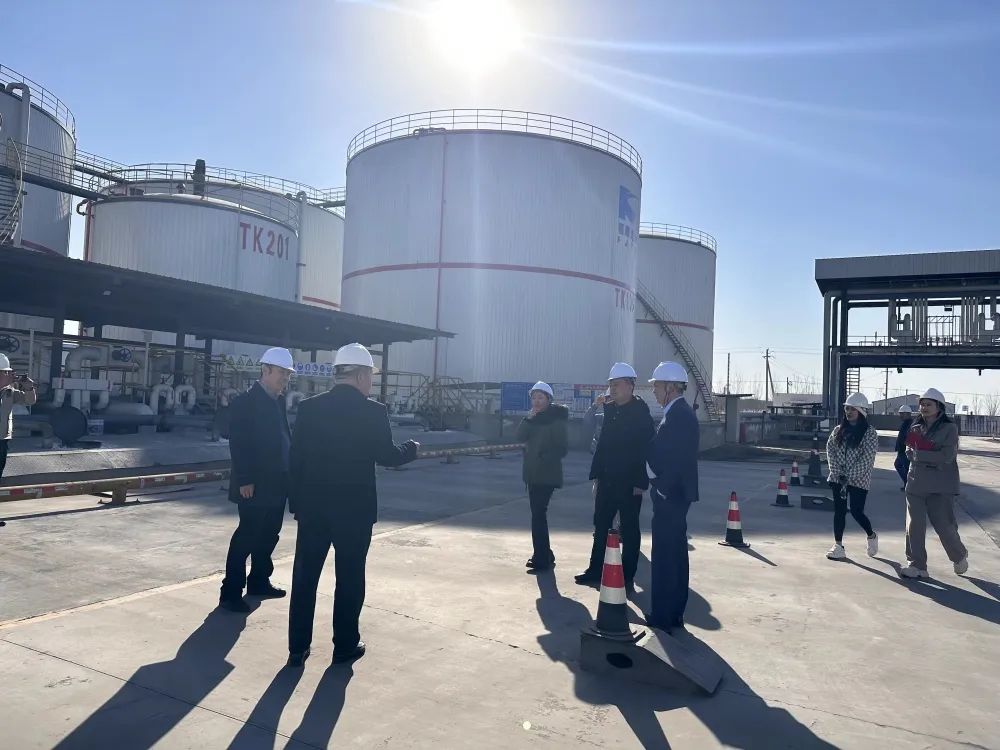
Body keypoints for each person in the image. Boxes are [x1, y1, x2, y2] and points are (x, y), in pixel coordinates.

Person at [287, 343, 419, 667]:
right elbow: (387, 456)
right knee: (349, 578)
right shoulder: (373, 411)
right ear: (360, 375)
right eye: (370, 375)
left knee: (305, 578)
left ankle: (298, 648)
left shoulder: (309, 408)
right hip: (355, 512)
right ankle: (345, 645)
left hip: (313, 510)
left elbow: (296, 459)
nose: (371, 382)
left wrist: (297, 504)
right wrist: (411, 448)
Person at [219, 347, 296, 613]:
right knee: (247, 535)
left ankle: (259, 581)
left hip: (278, 480)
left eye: (288, 374)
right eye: (281, 373)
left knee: (269, 533)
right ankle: (230, 592)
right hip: (254, 482)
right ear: (266, 370)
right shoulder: (245, 402)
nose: (285, 378)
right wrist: (245, 479)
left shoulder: (278, 401)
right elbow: (239, 444)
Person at [575, 362, 655, 593]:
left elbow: (646, 450)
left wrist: (641, 482)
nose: (613, 389)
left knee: (629, 531)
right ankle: (595, 570)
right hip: (607, 480)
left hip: (629, 483)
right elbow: (602, 446)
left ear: (630, 386)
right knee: (600, 526)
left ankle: (626, 577)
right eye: (611, 384)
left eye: (617, 384)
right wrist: (597, 477)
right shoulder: (609, 410)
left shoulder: (641, 413)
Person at [644, 362, 699, 632]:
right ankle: (674, 612)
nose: (654, 391)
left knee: (666, 557)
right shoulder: (679, 413)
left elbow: (676, 459)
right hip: (675, 496)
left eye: (656, 386)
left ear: (669, 387)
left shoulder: (678, 416)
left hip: (670, 497)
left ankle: (664, 615)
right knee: (675, 554)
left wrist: (661, 488)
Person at [900, 388, 968, 579]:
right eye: (922, 404)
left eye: (928, 404)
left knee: (944, 525)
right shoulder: (915, 427)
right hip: (916, 482)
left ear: (939, 407)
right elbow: (909, 450)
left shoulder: (949, 428)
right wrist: (917, 454)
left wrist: (920, 455)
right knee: (914, 525)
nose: (924, 407)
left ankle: (959, 556)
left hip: (941, 485)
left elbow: (947, 456)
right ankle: (917, 565)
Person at [516, 381, 569, 573]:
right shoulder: (533, 418)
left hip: (547, 475)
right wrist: (528, 418)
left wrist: (542, 457)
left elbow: (562, 448)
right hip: (532, 474)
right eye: (534, 398)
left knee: (538, 515)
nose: (536, 401)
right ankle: (546, 553)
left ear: (548, 399)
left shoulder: (556, 420)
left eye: (540, 397)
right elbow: (520, 437)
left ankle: (541, 558)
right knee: (538, 515)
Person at [825, 392, 879, 560]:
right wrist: (836, 472)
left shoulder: (869, 433)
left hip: (859, 480)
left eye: (853, 409)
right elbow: (830, 450)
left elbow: (867, 459)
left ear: (861, 411)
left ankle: (871, 535)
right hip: (837, 478)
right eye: (847, 409)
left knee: (856, 511)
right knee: (839, 511)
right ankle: (838, 545)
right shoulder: (838, 430)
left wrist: (849, 475)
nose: (849, 412)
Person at [0, 354, 36, 481]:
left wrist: (29, 388)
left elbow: (29, 401)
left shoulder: (9, 392)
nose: (10, 375)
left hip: (2, 438)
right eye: (6, 372)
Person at [894, 404, 914, 491]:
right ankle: (907, 484)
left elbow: (907, 437)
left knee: (906, 468)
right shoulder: (905, 423)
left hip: (904, 450)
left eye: (902, 413)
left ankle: (909, 485)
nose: (900, 415)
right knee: (900, 465)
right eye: (900, 413)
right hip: (901, 450)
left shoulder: (910, 424)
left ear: (908, 414)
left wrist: (905, 446)